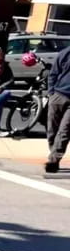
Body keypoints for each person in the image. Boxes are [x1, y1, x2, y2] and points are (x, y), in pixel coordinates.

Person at [45, 43, 70, 173]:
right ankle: (53, 153)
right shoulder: (65, 53)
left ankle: (54, 160)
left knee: (64, 131)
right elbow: (53, 74)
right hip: (58, 95)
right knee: (52, 129)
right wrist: (51, 93)